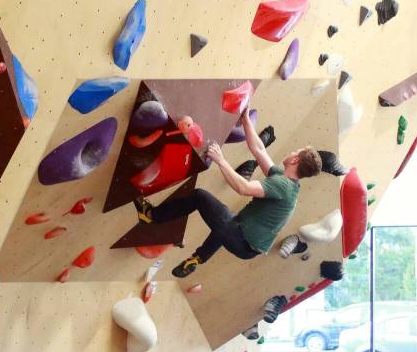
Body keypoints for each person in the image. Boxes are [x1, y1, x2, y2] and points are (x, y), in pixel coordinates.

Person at [133, 106, 321, 301]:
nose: (292, 152)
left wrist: (221, 160)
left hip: (243, 241)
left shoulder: (283, 185)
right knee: (223, 221)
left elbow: (244, 188)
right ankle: (197, 259)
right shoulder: (288, 182)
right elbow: (259, 149)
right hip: (243, 239)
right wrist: (245, 119)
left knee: (200, 197)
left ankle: (151, 215)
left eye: (295, 151)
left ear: (295, 160)